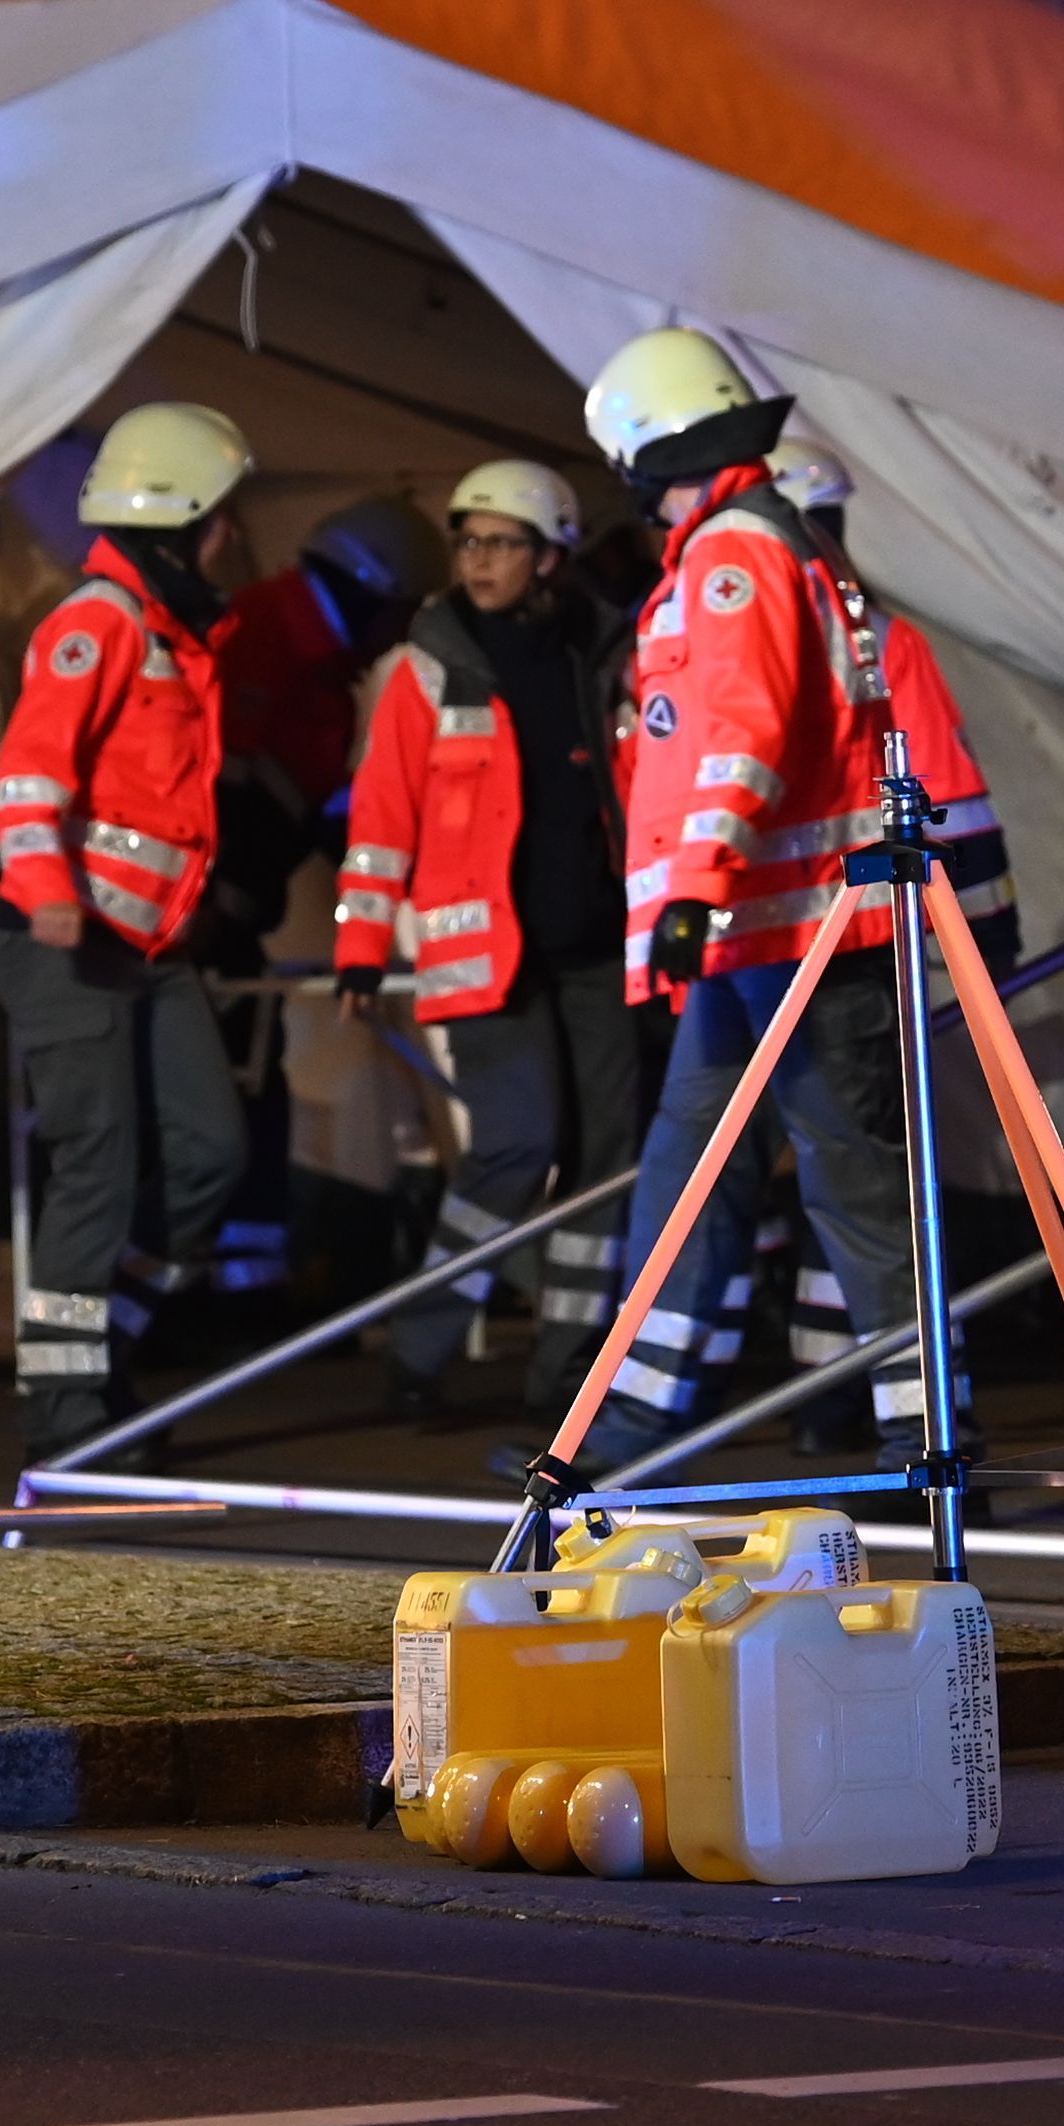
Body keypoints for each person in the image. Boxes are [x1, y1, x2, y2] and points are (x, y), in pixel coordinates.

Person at [578, 332, 940, 1469]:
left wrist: (692, 887)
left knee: (851, 1184)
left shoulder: (733, 554)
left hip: (790, 924)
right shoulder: (760, 542)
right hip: (765, 927)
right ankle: (639, 1417)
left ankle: (924, 1435)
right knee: (697, 1164)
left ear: (641, 450)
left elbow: (740, 735)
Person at [698, 436, 1018, 1412]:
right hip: (813, 946)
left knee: (832, 1174)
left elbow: (948, 807)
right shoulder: (867, 640)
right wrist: (990, 941)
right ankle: (844, 1400)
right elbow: (954, 806)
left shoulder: (747, 630)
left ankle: (840, 1401)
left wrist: (986, 940)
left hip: (780, 945)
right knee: (848, 1173)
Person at [331, 459, 637, 1414]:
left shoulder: (605, 650)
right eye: (469, 541)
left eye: (501, 542)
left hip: (596, 946)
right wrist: (361, 945)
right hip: (485, 954)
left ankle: (571, 1371)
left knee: (608, 1161)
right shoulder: (428, 662)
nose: (479, 560)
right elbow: (380, 819)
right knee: (514, 1147)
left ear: (551, 556)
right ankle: (419, 1353)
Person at [0, 403, 259, 1455]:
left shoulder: (166, 632)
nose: (230, 537)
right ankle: (64, 1413)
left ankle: (102, 1353)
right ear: (180, 518)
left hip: (144, 946)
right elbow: (30, 775)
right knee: (97, 1158)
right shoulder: (98, 623)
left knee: (210, 1151)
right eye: (220, 517)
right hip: (68, 940)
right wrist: (49, 889)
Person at [204, 500, 424, 1311]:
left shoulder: (318, 668)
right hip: (197, 929)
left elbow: (318, 804)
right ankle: (223, 1287)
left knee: (252, 1095)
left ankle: (245, 1281)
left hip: (230, 924)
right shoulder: (264, 641)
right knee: (222, 1107)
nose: (396, 634)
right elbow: (223, 796)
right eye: (397, 612)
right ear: (372, 587)